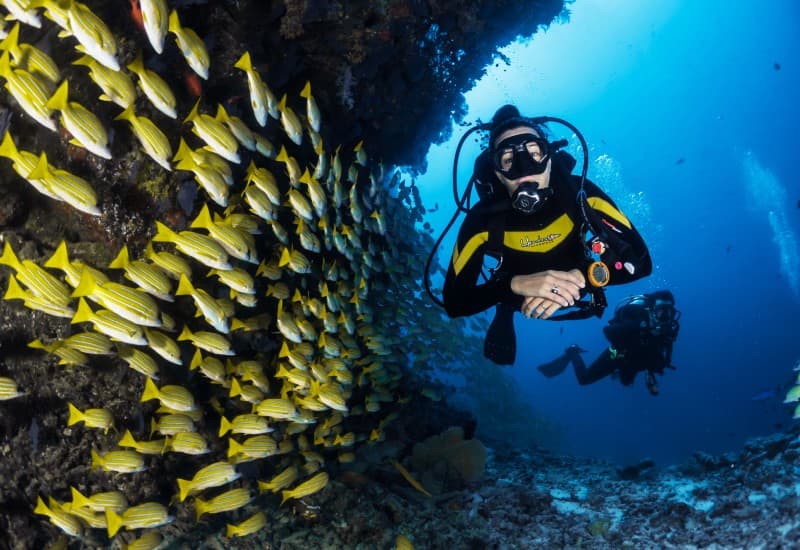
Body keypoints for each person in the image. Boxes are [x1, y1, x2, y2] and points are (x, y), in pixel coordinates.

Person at [442, 105, 652, 364]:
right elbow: (455, 302)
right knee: (506, 300)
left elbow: (641, 263)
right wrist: (513, 285)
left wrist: (584, 276)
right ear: (496, 172)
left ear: (550, 158)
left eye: (534, 153)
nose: (523, 168)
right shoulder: (482, 220)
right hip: (518, 297)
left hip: (582, 283)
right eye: (508, 160)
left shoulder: (581, 194)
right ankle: (505, 308)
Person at [537, 290, 681, 395]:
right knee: (584, 379)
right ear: (652, 311)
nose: (666, 317)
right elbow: (608, 331)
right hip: (617, 355)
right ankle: (573, 352)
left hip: (637, 361)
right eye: (662, 312)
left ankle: (623, 373)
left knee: (626, 382)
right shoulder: (637, 320)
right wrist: (638, 328)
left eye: (670, 313)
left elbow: (664, 352)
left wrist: (653, 371)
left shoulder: (668, 330)